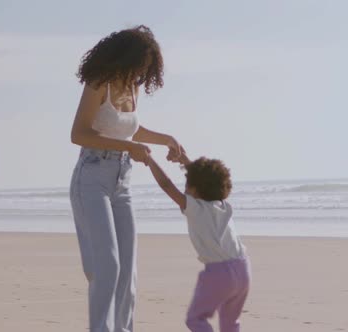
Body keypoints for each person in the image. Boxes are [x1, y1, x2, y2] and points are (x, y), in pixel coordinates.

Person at [69, 25, 184, 332]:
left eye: (147, 69)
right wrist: (128, 147)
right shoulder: (99, 83)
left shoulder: (132, 89)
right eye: (140, 65)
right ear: (125, 57)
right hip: (92, 178)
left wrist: (166, 139)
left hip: (122, 184)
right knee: (107, 268)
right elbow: (79, 134)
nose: (142, 74)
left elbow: (129, 129)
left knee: (128, 275)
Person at [146, 153, 250, 332]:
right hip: (243, 269)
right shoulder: (223, 206)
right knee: (230, 324)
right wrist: (186, 162)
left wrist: (149, 160)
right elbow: (206, 179)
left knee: (196, 319)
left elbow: (166, 185)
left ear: (195, 189)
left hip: (219, 273)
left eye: (187, 185)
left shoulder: (195, 208)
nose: (184, 189)